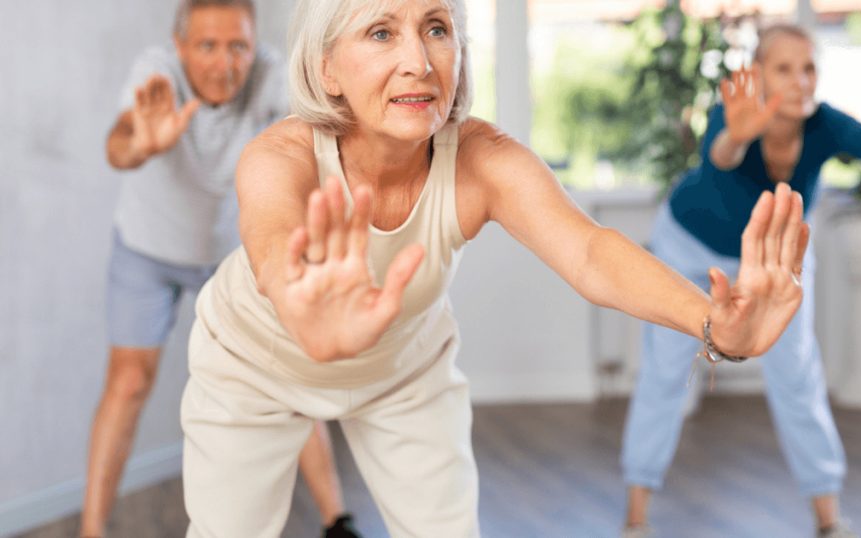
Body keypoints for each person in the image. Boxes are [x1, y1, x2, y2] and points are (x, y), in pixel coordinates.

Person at [177, 1, 815, 537]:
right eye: (381, 33)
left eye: (436, 28)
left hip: (403, 372)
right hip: (253, 369)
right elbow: (270, 245)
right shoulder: (280, 157)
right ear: (327, 69)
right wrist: (303, 310)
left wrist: (715, 323)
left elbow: (590, 252)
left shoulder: (480, 159)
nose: (419, 62)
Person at [619, 24, 861, 538]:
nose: (800, 80)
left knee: (797, 377)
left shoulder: (825, 125)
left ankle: (829, 519)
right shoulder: (730, 118)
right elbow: (721, 154)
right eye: (784, 68)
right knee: (665, 370)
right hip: (688, 251)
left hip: (776, 260)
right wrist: (739, 132)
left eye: (809, 67)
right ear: (758, 75)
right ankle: (637, 517)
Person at [82, 1, 361, 537]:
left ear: (254, 45)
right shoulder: (155, 72)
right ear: (179, 45)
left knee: (283, 375)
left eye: (239, 46)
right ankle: (91, 531)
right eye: (207, 46)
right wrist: (139, 143)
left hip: (234, 256)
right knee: (129, 380)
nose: (225, 63)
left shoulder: (274, 75)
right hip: (150, 250)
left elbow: (329, 132)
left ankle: (337, 521)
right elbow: (119, 146)